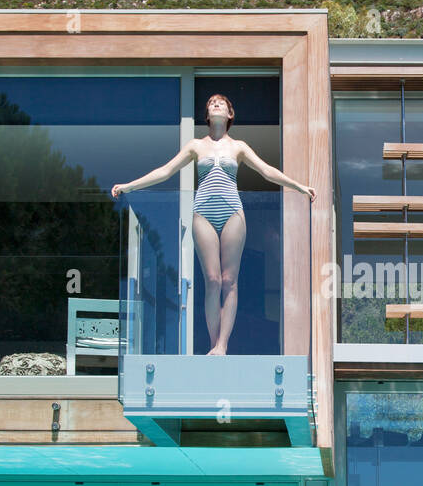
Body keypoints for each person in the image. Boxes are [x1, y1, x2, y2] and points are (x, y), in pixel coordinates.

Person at [112, 94, 315, 354]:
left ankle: (223, 344)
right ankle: (212, 343)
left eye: (222, 103)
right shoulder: (196, 146)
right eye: (211, 103)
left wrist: (300, 187)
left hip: (232, 212)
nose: (216, 104)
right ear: (207, 116)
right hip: (203, 213)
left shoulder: (239, 147)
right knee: (212, 279)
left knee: (230, 280)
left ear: (230, 114)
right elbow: (165, 171)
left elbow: (266, 171)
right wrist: (130, 186)